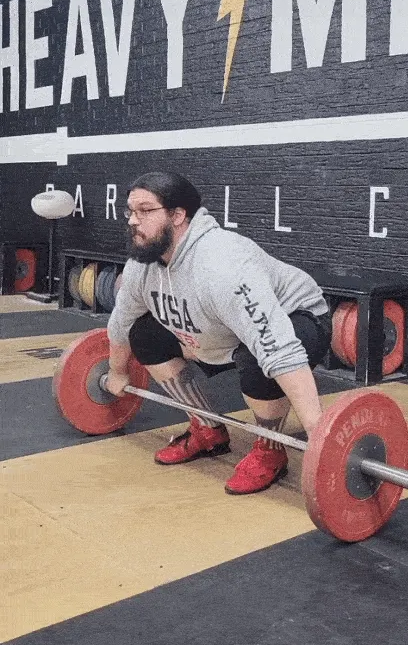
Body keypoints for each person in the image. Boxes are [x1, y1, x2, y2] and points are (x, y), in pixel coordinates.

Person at [105, 171, 332, 495]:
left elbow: (278, 346)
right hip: (221, 329)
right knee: (144, 334)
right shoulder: (142, 265)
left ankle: (270, 449)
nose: (133, 220)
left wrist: (319, 434)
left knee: (256, 358)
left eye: (145, 210)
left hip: (301, 318)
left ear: (178, 214)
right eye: (130, 211)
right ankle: (207, 429)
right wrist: (116, 370)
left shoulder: (223, 266)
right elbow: (122, 322)